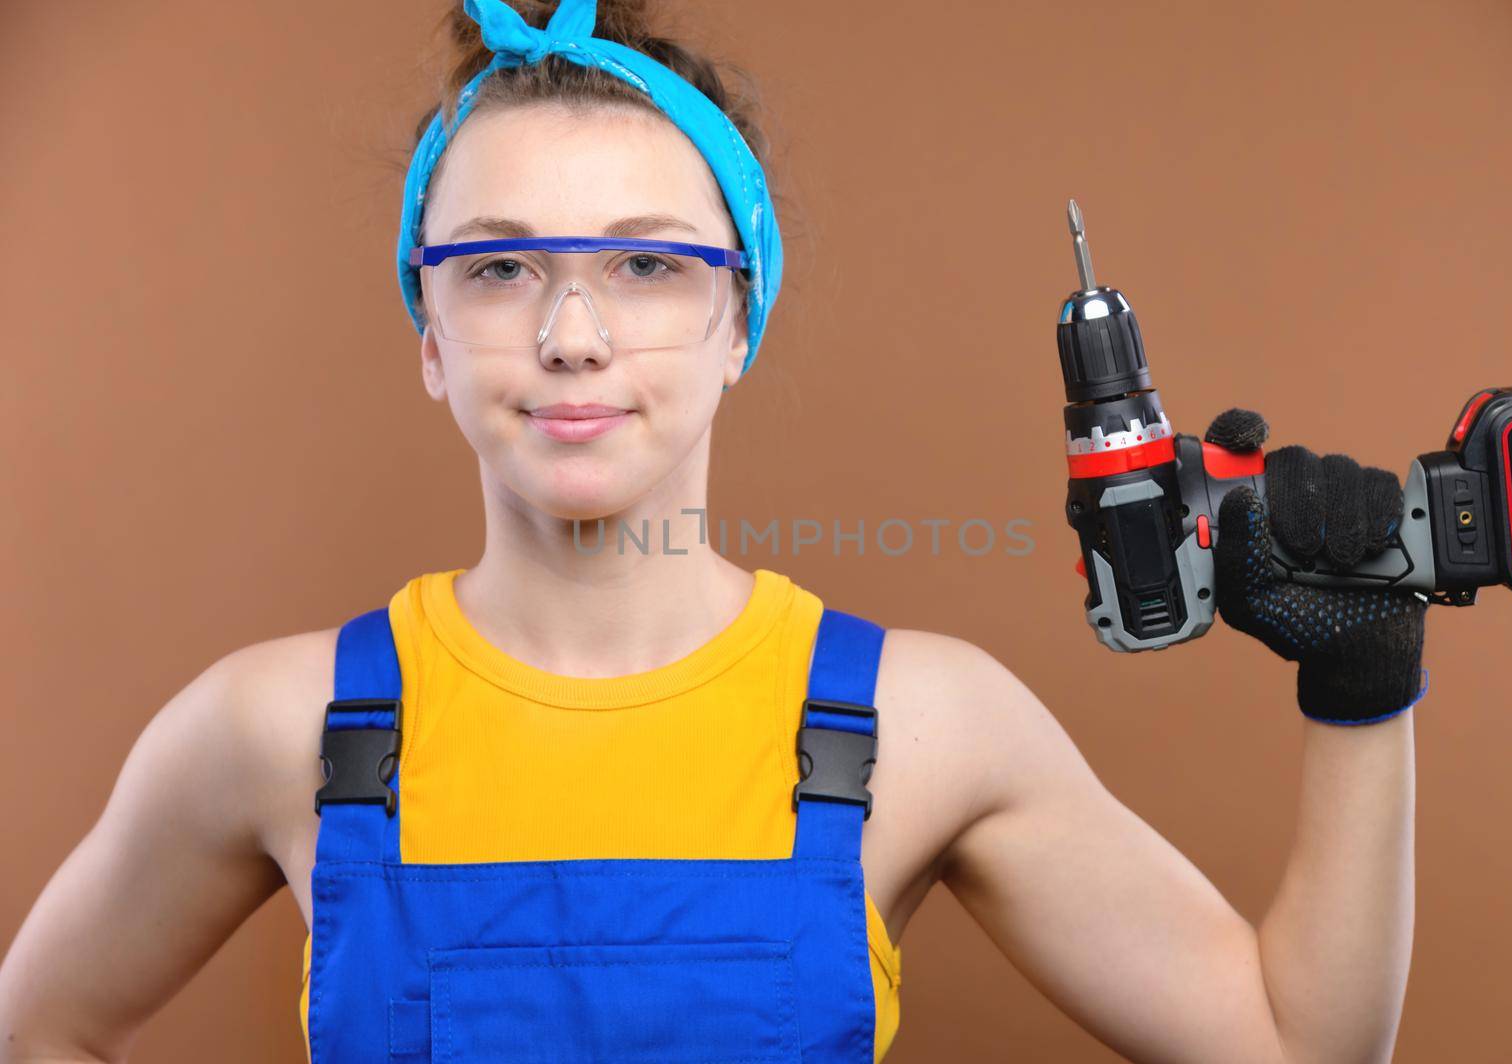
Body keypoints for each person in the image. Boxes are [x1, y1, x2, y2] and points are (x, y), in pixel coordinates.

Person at [0, 1, 1430, 1062]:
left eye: (645, 263)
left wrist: (1362, 684)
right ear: (425, 330)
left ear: (741, 316)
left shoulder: (927, 726)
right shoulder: (278, 729)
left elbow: (1298, 1049)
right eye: (497, 266)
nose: (572, 336)